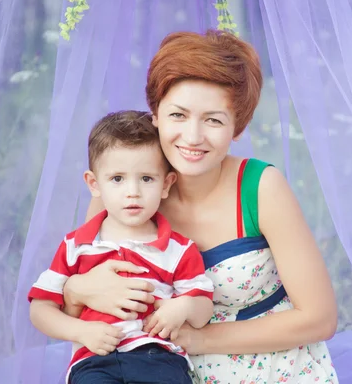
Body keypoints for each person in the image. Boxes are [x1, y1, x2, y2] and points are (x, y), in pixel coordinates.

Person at [62, 30, 339, 383]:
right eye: (178, 115)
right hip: (156, 370)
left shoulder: (260, 188)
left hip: (273, 366)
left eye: (213, 120)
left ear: (237, 127)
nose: (193, 137)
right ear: (155, 115)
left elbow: (319, 318)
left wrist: (199, 339)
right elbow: (75, 296)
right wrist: (77, 289)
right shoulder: (122, 187)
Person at [28, 110, 214, 384]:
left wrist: (184, 307)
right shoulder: (77, 245)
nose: (133, 192)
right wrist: (81, 331)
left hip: (159, 358)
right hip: (94, 359)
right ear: (94, 184)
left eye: (146, 179)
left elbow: (202, 311)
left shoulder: (179, 249)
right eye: (117, 179)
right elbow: (40, 310)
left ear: (166, 184)